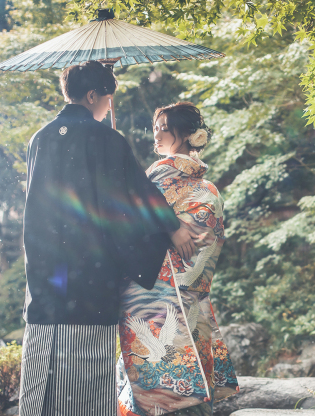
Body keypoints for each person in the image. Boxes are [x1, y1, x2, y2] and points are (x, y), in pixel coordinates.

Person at [18, 61, 196, 416]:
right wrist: (171, 226)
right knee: (86, 376)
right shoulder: (106, 139)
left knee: (40, 365)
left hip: (44, 272)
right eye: (107, 99)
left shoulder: (40, 138)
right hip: (90, 272)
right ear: (92, 95)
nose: (108, 107)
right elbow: (135, 191)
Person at [117, 102, 239, 416]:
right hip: (190, 303)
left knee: (154, 392)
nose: (155, 134)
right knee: (186, 397)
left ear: (185, 134)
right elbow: (206, 251)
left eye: (163, 127)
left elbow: (126, 231)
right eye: (154, 127)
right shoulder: (207, 189)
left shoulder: (154, 183)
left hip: (150, 301)